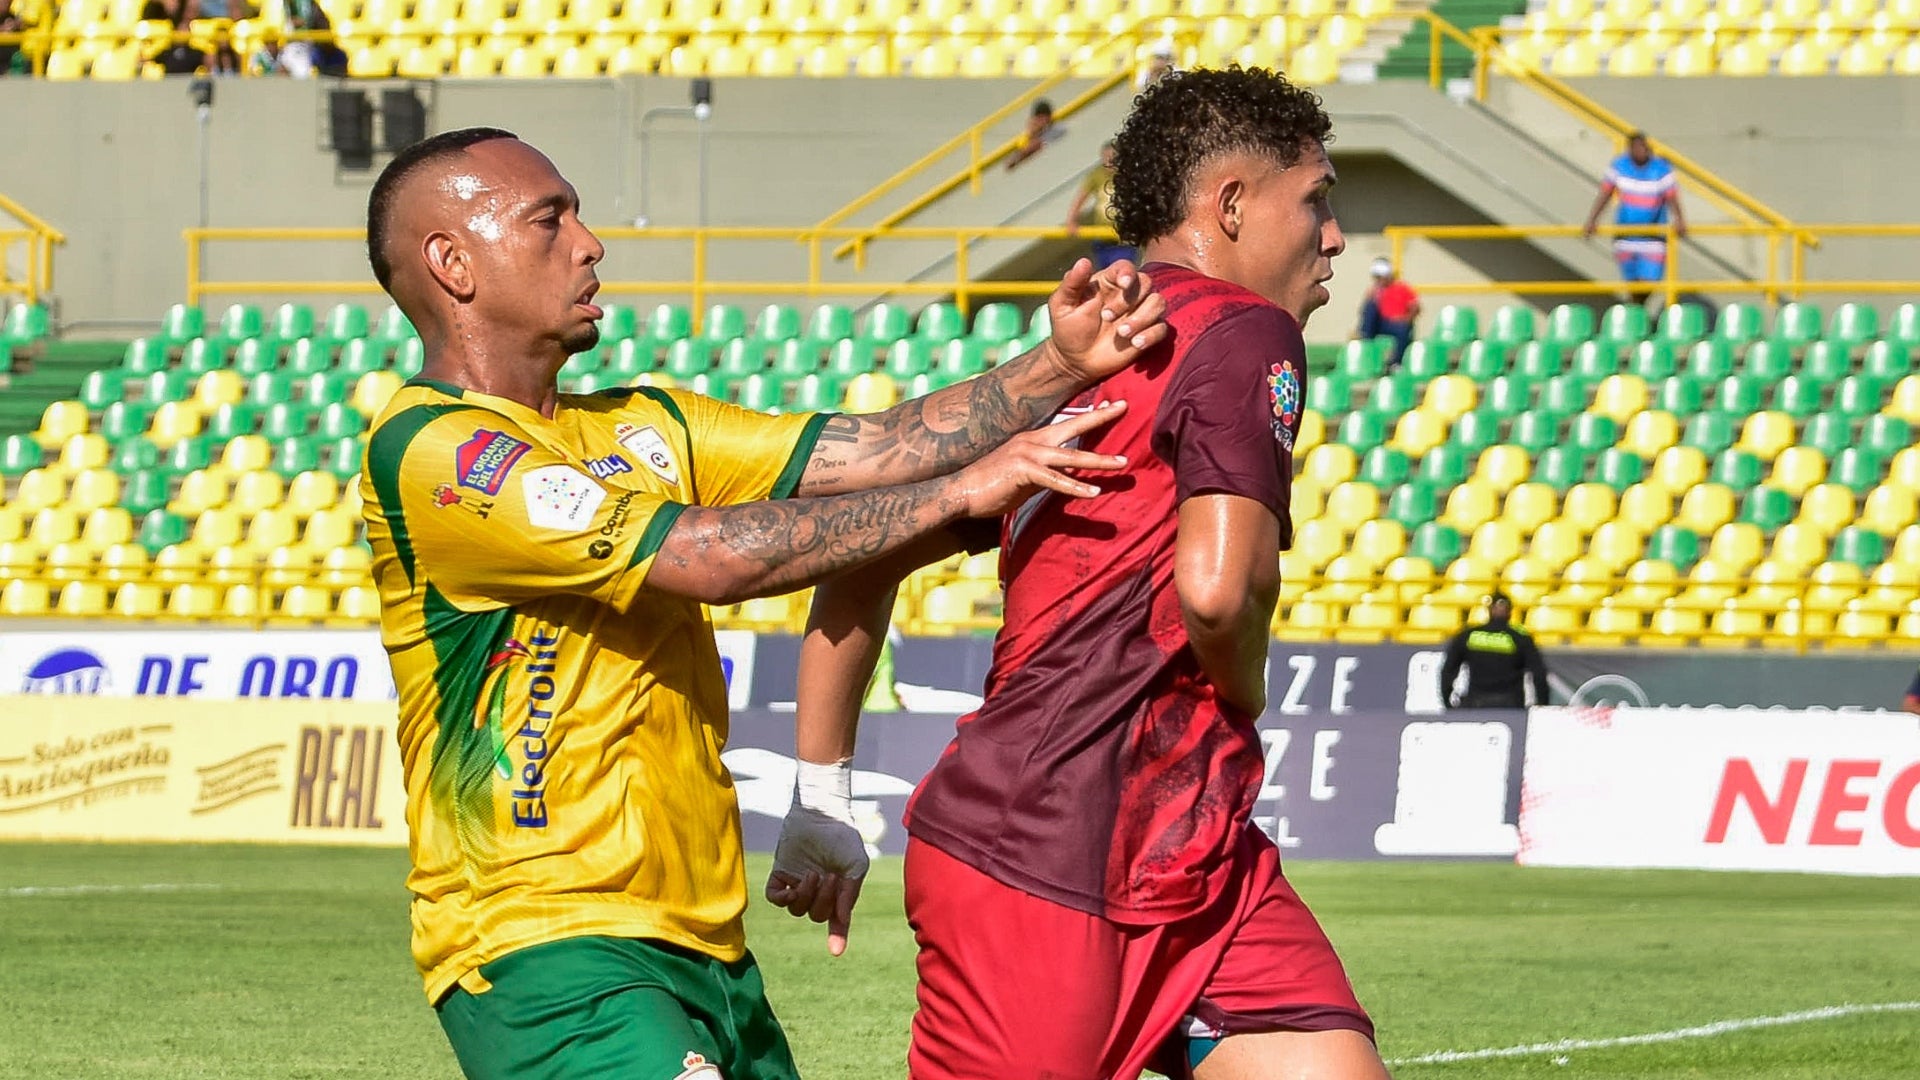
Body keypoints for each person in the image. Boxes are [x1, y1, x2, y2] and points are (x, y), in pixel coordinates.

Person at [355, 126, 1170, 1080]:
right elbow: (705, 559)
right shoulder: (436, 452)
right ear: (452, 264)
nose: (589, 242)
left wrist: (1057, 367)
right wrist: (961, 493)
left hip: (706, 946)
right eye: (549, 219)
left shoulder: (646, 422)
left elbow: (877, 447)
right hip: (539, 941)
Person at [776, 68, 1388, 1080]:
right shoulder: (1247, 332)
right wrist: (1243, 683)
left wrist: (820, 790)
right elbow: (1217, 590)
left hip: (1190, 853)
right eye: (1315, 199)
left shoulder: (1076, 359)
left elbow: (863, 551)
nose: (1332, 236)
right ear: (1232, 205)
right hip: (1053, 856)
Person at [1582, 130, 1687, 306]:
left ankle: (1636, 309)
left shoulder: (1660, 168)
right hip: (1626, 235)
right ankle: (1636, 313)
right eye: (1637, 147)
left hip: (1653, 236)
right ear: (1630, 149)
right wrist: (1592, 220)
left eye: (1644, 146)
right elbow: (1605, 194)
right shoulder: (1619, 166)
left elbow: (1672, 197)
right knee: (1633, 282)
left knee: (1649, 281)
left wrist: (1680, 219)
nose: (1642, 150)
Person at [1439, 592, 1549, 711]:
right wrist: (1542, 705)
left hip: (1476, 704)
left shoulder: (1469, 635)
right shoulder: (1521, 638)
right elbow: (1539, 675)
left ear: (1489, 610)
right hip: (1511, 706)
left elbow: (1448, 671)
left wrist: (1447, 702)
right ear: (1510, 612)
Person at [1066, 140, 1139, 270]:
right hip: (1103, 235)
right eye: (1105, 158)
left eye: (1113, 158)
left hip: (1123, 237)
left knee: (1122, 271)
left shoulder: (1129, 174)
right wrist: (1072, 220)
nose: (1109, 162)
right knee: (1105, 272)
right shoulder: (1096, 174)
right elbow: (1080, 198)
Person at [1354, 256, 1418, 367]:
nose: (1379, 280)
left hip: (1395, 323)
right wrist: (1371, 297)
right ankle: (1366, 344)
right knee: (1370, 308)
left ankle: (1396, 362)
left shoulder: (1402, 288)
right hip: (1380, 322)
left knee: (1402, 330)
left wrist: (1406, 319)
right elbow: (1364, 311)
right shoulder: (1375, 290)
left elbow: (1415, 307)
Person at [1004, 99, 1060, 171]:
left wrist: (1016, 159)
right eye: (1034, 121)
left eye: (1039, 119)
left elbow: (1037, 145)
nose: (1034, 124)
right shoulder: (1025, 138)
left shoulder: (1056, 131)